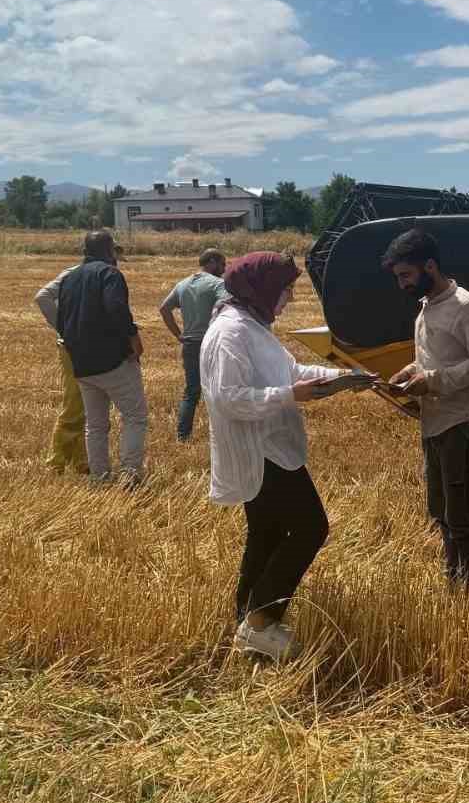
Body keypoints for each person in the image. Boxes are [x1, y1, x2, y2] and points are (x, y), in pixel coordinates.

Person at [200, 250, 374, 663]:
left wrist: (345, 379)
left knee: (267, 536)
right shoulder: (231, 333)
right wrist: (289, 396)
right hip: (261, 453)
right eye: (286, 289)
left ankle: (248, 622)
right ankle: (260, 624)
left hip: (270, 448)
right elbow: (228, 399)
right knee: (311, 528)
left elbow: (291, 371)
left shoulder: (253, 326)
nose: (290, 298)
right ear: (260, 289)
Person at [382, 228, 469, 585]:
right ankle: (456, 580)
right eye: (398, 277)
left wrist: (432, 381)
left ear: (430, 266)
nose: (401, 284)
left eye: (406, 275)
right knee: (440, 511)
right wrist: (408, 373)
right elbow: (431, 359)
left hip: (460, 423)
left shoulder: (467, 306)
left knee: (461, 515)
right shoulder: (425, 308)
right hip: (433, 423)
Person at [57, 230, 148, 486]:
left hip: (82, 363)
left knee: (95, 425)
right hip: (112, 360)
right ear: (109, 250)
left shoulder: (69, 278)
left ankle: (99, 478)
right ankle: (130, 474)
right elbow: (116, 309)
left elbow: (61, 321)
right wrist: (133, 340)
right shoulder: (110, 274)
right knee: (135, 416)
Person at [159, 248, 228, 441]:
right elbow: (226, 305)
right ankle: (222, 434)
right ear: (212, 261)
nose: (224, 269)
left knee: (191, 392)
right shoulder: (218, 284)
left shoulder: (182, 284)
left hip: (189, 344)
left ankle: (182, 435)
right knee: (219, 389)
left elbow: (164, 309)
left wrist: (178, 335)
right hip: (212, 343)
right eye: (222, 264)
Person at [34, 257, 87, 475]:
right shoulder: (72, 273)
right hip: (73, 347)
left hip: (80, 345)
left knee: (85, 403)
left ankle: (81, 461)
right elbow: (42, 297)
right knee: (74, 403)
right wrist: (64, 327)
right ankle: (55, 462)